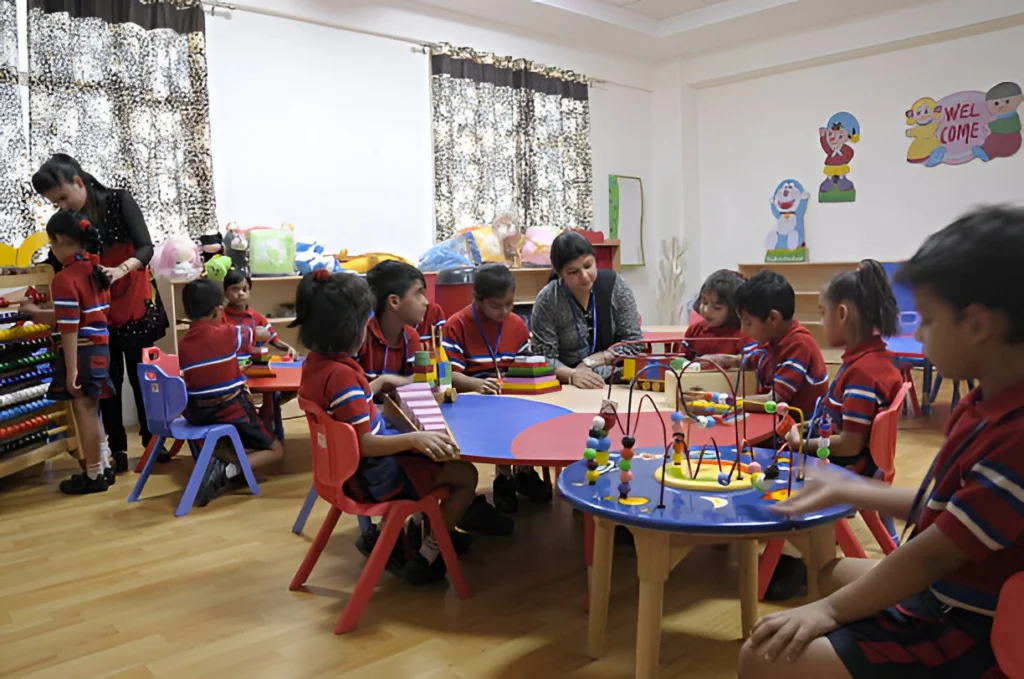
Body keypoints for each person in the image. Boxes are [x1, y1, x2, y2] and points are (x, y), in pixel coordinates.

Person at [738, 205, 1024, 679]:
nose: (917, 334)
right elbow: (946, 509)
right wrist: (850, 489)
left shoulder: (1014, 437)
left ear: (976, 325)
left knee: (759, 654)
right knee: (829, 573)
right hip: (949, 592)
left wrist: (827, 611)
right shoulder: (982, 404)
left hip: (968, 624)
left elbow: (934, 553)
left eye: (927, 320)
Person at [294, 270, 479, 585]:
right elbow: (364, 443)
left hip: (345, 473)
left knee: (433, 454)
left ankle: (402, 533)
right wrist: (413, 439)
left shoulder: (317, 365)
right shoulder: (343, 376)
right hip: (373, 476)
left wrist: (380, 387)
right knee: (465, 474)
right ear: (351, 328)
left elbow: (350, 409)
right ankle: (429, 554)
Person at [768, 260, 903, 601]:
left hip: (850, 469)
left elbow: (848, 444)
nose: (821, 320)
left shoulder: (862, 373)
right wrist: (806, 428)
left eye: (822, 312)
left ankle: (786, 563)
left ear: (842, 314)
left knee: (770, 472)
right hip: (870, 467)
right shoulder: (875, 362)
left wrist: (803, 442)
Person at [32, 154, 167, 473]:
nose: (61, 206)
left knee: (142, 378)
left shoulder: (119, 201)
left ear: (79, 182)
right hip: (99, 311)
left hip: (133, 300)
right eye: (55, 203)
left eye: (63, 197)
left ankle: (153, 443)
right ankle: (117, 449)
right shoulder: (69, 219)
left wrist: (120, 270)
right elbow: (58, 259)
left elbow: (145, 248)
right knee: (108, 384)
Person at [23, 211, 116, 494]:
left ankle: (93, 475)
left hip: (82, 352)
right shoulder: (96, 272)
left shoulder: (64, 278)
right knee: (93, 409)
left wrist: (72, 368)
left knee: (83, 411)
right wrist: (38, 312)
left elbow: (70, 326)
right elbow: (80, 315)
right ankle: (104, 465)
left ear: (60, 239)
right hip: (100, 349)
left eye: (51, 242)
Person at [443, 263, 539, 516]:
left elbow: (524, 364)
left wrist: (518, 378)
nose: (504, 311)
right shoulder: (457, 324)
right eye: (496, 306)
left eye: (510, 304)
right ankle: (503, 478)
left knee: (530, 415)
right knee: (500, 420)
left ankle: (525, 472)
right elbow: (450, 375)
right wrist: (476, 384)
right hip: (472, 401)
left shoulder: (517, 324)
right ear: (478, 300)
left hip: (509, 396)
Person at [177, 278, 283, 506]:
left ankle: (223, 463)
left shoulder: (183, 345)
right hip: (231, 410)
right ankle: (227, 471)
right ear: (218, 310)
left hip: (198, 413)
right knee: (276, 450)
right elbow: (260, 333)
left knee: (242, 425)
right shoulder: (229, 333)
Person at [531, 231, 643, 389]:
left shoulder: (615, 287)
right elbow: (543, 358)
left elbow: (634, 343)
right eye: (573, 272)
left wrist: (593, 361)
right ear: (560, 274)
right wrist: (572, 375)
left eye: (588, 266)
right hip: (569, 384)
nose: (584, 276)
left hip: (616, 380)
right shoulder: (548, 300)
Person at [730, 270, 829, 417]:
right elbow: (748, 361)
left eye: (748, 323)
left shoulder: (800, 345)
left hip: (802, 427)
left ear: (773, 318)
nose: (743, 330)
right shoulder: (771, 339)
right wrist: (722, 360)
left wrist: (729, 402)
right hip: (777, 422)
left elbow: (775, 400)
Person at [360, 261, 426, 389]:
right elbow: (350, 394)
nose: (426, 302)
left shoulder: (411, 337)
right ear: (394, 301)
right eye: (418, 293)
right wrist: (382, 381)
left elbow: (417, 387)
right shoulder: (360, 337)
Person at [674, 269, 754, 361]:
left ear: (734, 310)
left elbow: (753, 360)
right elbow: (682, 360)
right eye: (704, 302)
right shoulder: (694, 331)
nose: (706, 310)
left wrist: (727, 360)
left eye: (717, 307)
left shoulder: (743, 334)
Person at [222, 269, 298, 359]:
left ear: (249, 292)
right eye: (235, 289)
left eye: (245, 289)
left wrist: (289, 348)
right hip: (229, 362)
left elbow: (274, 340)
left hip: (252, 363)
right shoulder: (219, 317)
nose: (241, 293)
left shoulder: (257, 318)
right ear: (225, 293)